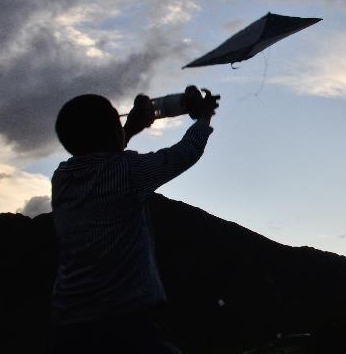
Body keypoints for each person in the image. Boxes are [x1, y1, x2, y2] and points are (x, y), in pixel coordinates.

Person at [49, 86, 219, 353]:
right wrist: (204, 117)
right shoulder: (128, 172)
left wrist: (130, 128)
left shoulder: (62, 178)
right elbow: (185, 153)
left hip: (68, 321)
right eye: (116, 120)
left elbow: (100, 151)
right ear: (110, 130)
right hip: (120, 319)